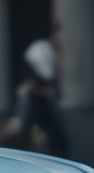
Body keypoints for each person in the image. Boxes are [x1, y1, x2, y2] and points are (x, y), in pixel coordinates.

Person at [13, 28, 69, 157]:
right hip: (33, 96)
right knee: (27, 131)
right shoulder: (39, 51)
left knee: (53, 132)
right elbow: (42, 76)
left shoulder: (51, 53)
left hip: (41, 97)